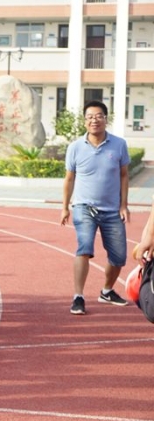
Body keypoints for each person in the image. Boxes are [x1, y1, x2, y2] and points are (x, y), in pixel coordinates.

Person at [60, 100, 130, 315]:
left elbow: (124, 175)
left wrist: (124, 205)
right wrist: (65, 207)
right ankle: (78, 297)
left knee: (119, 257)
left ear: (106, 119)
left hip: (112, 210)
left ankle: (107, 291)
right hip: (84, 207)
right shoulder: (75, 147)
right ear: (84, 121)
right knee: (84, 248)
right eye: (90, 116)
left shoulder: (119, 144)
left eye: (98, 116)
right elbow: (69, 178)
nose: (94, 120)